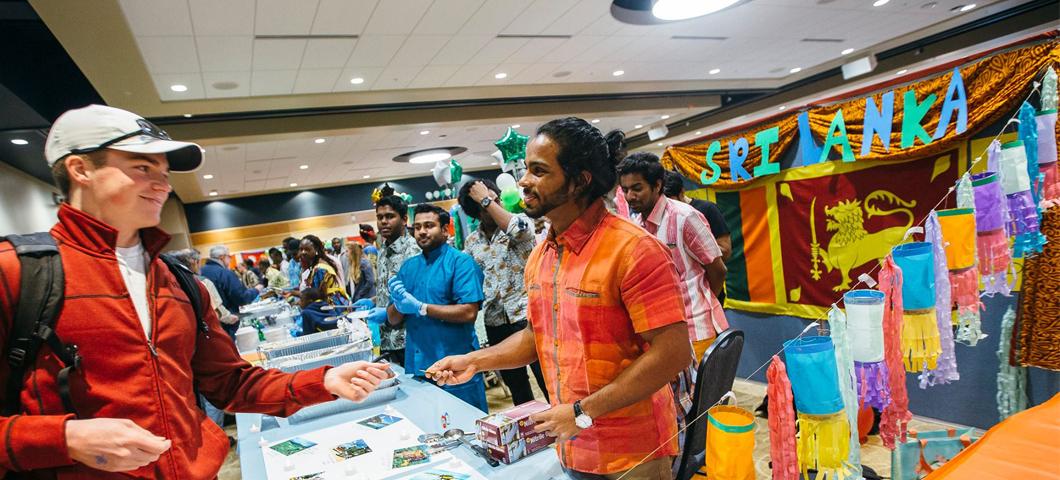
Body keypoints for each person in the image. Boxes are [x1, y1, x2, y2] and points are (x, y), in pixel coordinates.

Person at [0, 104, 391, 478]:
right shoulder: (18, 271)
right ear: (80, 169)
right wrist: (65, 438)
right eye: (142, 167)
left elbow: (230, 384)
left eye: (165, 172)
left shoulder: (177, 281)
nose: (162, 185)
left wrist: (320, 381)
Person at [428, 117, 692, 480]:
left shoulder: (634, 250)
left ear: (580, 180)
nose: (523, 181)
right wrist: (475, 361)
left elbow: (673, 353)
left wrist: (583, 411)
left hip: (631, 454)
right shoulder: (542, 254)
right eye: (525, 169)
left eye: (539, 171)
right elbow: (539, 336)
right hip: (571, 445)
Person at [621, 154, 729, 363]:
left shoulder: (684, 217)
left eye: (637, 188)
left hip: (696, 328)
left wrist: (700, 302)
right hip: (660, 335)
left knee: (706, 396)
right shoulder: (634, 224)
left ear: (657, 185)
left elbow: (718, 270)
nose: (629, 196)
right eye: (625, 190)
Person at [387, 204, 487, 411]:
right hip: (418, 367)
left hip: (455, 367)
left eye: (429, 225)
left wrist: (422, 308)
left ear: (445, 229)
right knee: (429, 428)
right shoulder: (408, 267)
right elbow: (393, 319)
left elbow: (469, 312)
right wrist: (397, 305)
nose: (422, 231)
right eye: (417, 227)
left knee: (469, 426)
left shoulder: (461, 263)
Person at [458, 179, 549, 405]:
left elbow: (520, 231)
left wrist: (486, 199)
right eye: (486, 203)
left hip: (528, 316)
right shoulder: (471, 242)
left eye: (496, 199)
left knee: (548, 382)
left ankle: (564, 436)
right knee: (517, 388)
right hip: (495, 321)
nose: (494, 204)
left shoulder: (519, 222)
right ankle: (530, 437)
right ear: (476, 212)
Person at [369, 195, 421, 366]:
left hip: (409, 339)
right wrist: (373, 301)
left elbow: (412, 295)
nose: (384, 221)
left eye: (390, 216)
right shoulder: (383, 249)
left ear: (404, 219)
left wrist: (387, 313)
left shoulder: (412, 251)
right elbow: (389, 290)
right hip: (387, 339)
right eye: (380, 217)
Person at [663, 170, 732, 262]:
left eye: (671, 201)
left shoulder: (707, 209)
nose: (667, 207)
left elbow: (726, 251)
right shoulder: (661, 214)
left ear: (682, 192)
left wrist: (691, 247)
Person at [200, 245, 262, 338]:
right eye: (229, 257)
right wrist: (256, 290)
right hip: (227, 322)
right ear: (222, 257)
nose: (230, 260)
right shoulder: (224, 273)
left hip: (208, 324)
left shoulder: (200, 272)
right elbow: (242, 298)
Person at [298, 235, 350, 307]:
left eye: (307, 249)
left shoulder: (320, 268)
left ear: (316, 249)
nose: (303, 252)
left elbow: (318, 295)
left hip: (330, 307)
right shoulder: (316, 264)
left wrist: (295, 293)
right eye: (301, 249)